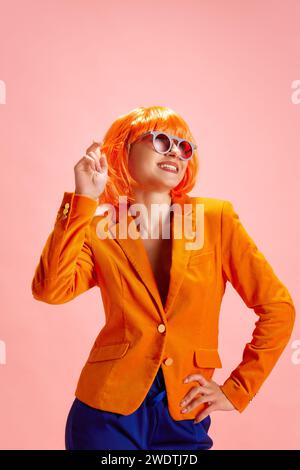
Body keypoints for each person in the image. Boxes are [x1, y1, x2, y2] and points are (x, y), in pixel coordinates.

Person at [31, 106, 296, 450]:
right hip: (105, 411)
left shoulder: (216, 219)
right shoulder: (100, 227)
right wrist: (83, 199)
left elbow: (278, 308)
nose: (175, 151)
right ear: (124, 149)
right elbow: (51, 290)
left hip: (184, 410)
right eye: (160, 140)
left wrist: (238, 389)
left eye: (184, 147)